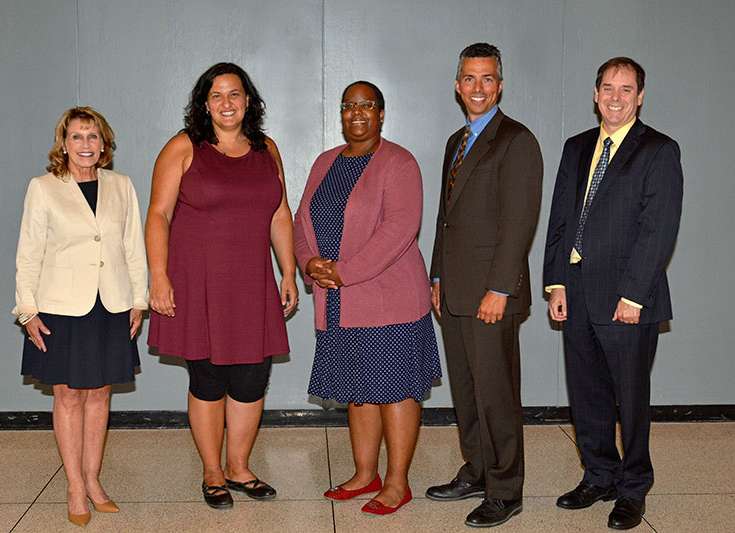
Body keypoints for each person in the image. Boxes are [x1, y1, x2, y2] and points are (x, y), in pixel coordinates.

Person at [145, 63, 297, 510]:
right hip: (199, 283)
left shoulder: (267, 148)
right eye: (217, 96)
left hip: (252, 282)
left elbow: (280, 213)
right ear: (204, 103)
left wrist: (288, 271)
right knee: (208, 378)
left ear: (248, 100)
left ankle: (239, 466)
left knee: (252, 377)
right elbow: (158, 214)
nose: (226, 103)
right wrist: (159, 275)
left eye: (235, 94)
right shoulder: (183, 147)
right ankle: (212, 471)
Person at [543, 57, 683, 530]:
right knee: (587, 393)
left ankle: (633, 487)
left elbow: (658, 229)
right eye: (608, 88)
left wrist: (635, 295)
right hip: (577, 291)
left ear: (640, 96)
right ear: (595, 93)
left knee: (631, 398)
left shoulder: (659, 150)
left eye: (627, 90)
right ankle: (599, 474)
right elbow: (560, 219)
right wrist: (556, 281)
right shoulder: (577, 147)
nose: (616, 97)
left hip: (628, 297)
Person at [294, 80, 441, 516]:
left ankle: (397, 482)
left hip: (389, 301)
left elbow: (398, 232)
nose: (356, 113)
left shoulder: (399, 162)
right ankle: (365, 474)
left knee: (394, 390)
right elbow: (303, 220)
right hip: (339, 302)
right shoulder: (325, 162)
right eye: (348, 106)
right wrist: (310, 264)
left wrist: (342, 271)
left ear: (381, 113)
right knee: (359, 391)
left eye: (366, 106)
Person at [13, 107, 148, 526]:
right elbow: (29, 252)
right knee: (68, 395)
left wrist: (138, 300)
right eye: (76, 137)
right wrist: (26, 310)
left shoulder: (122, 186)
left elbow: (133, 248)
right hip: (60, 308)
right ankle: (74, 485)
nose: (85, 144)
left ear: (104, 144)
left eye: (93, 137)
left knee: (102, 392)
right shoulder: (43, 187)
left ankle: (93, 479)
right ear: (63, 143)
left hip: (111, 304)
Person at [427, 43, 543, 528]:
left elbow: (519, 223)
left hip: (490, 295)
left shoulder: (516, 140)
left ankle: (505, 489)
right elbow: (445, 219)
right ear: (458, 85)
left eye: (487, 79)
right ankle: (476, 470)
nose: (478, 88)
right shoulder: (457, 140)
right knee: (468, 391)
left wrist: (499, 289)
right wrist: (435, 275)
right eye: (469, 79)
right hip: (453, 291)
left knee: (496, 393)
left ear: (500, 84)